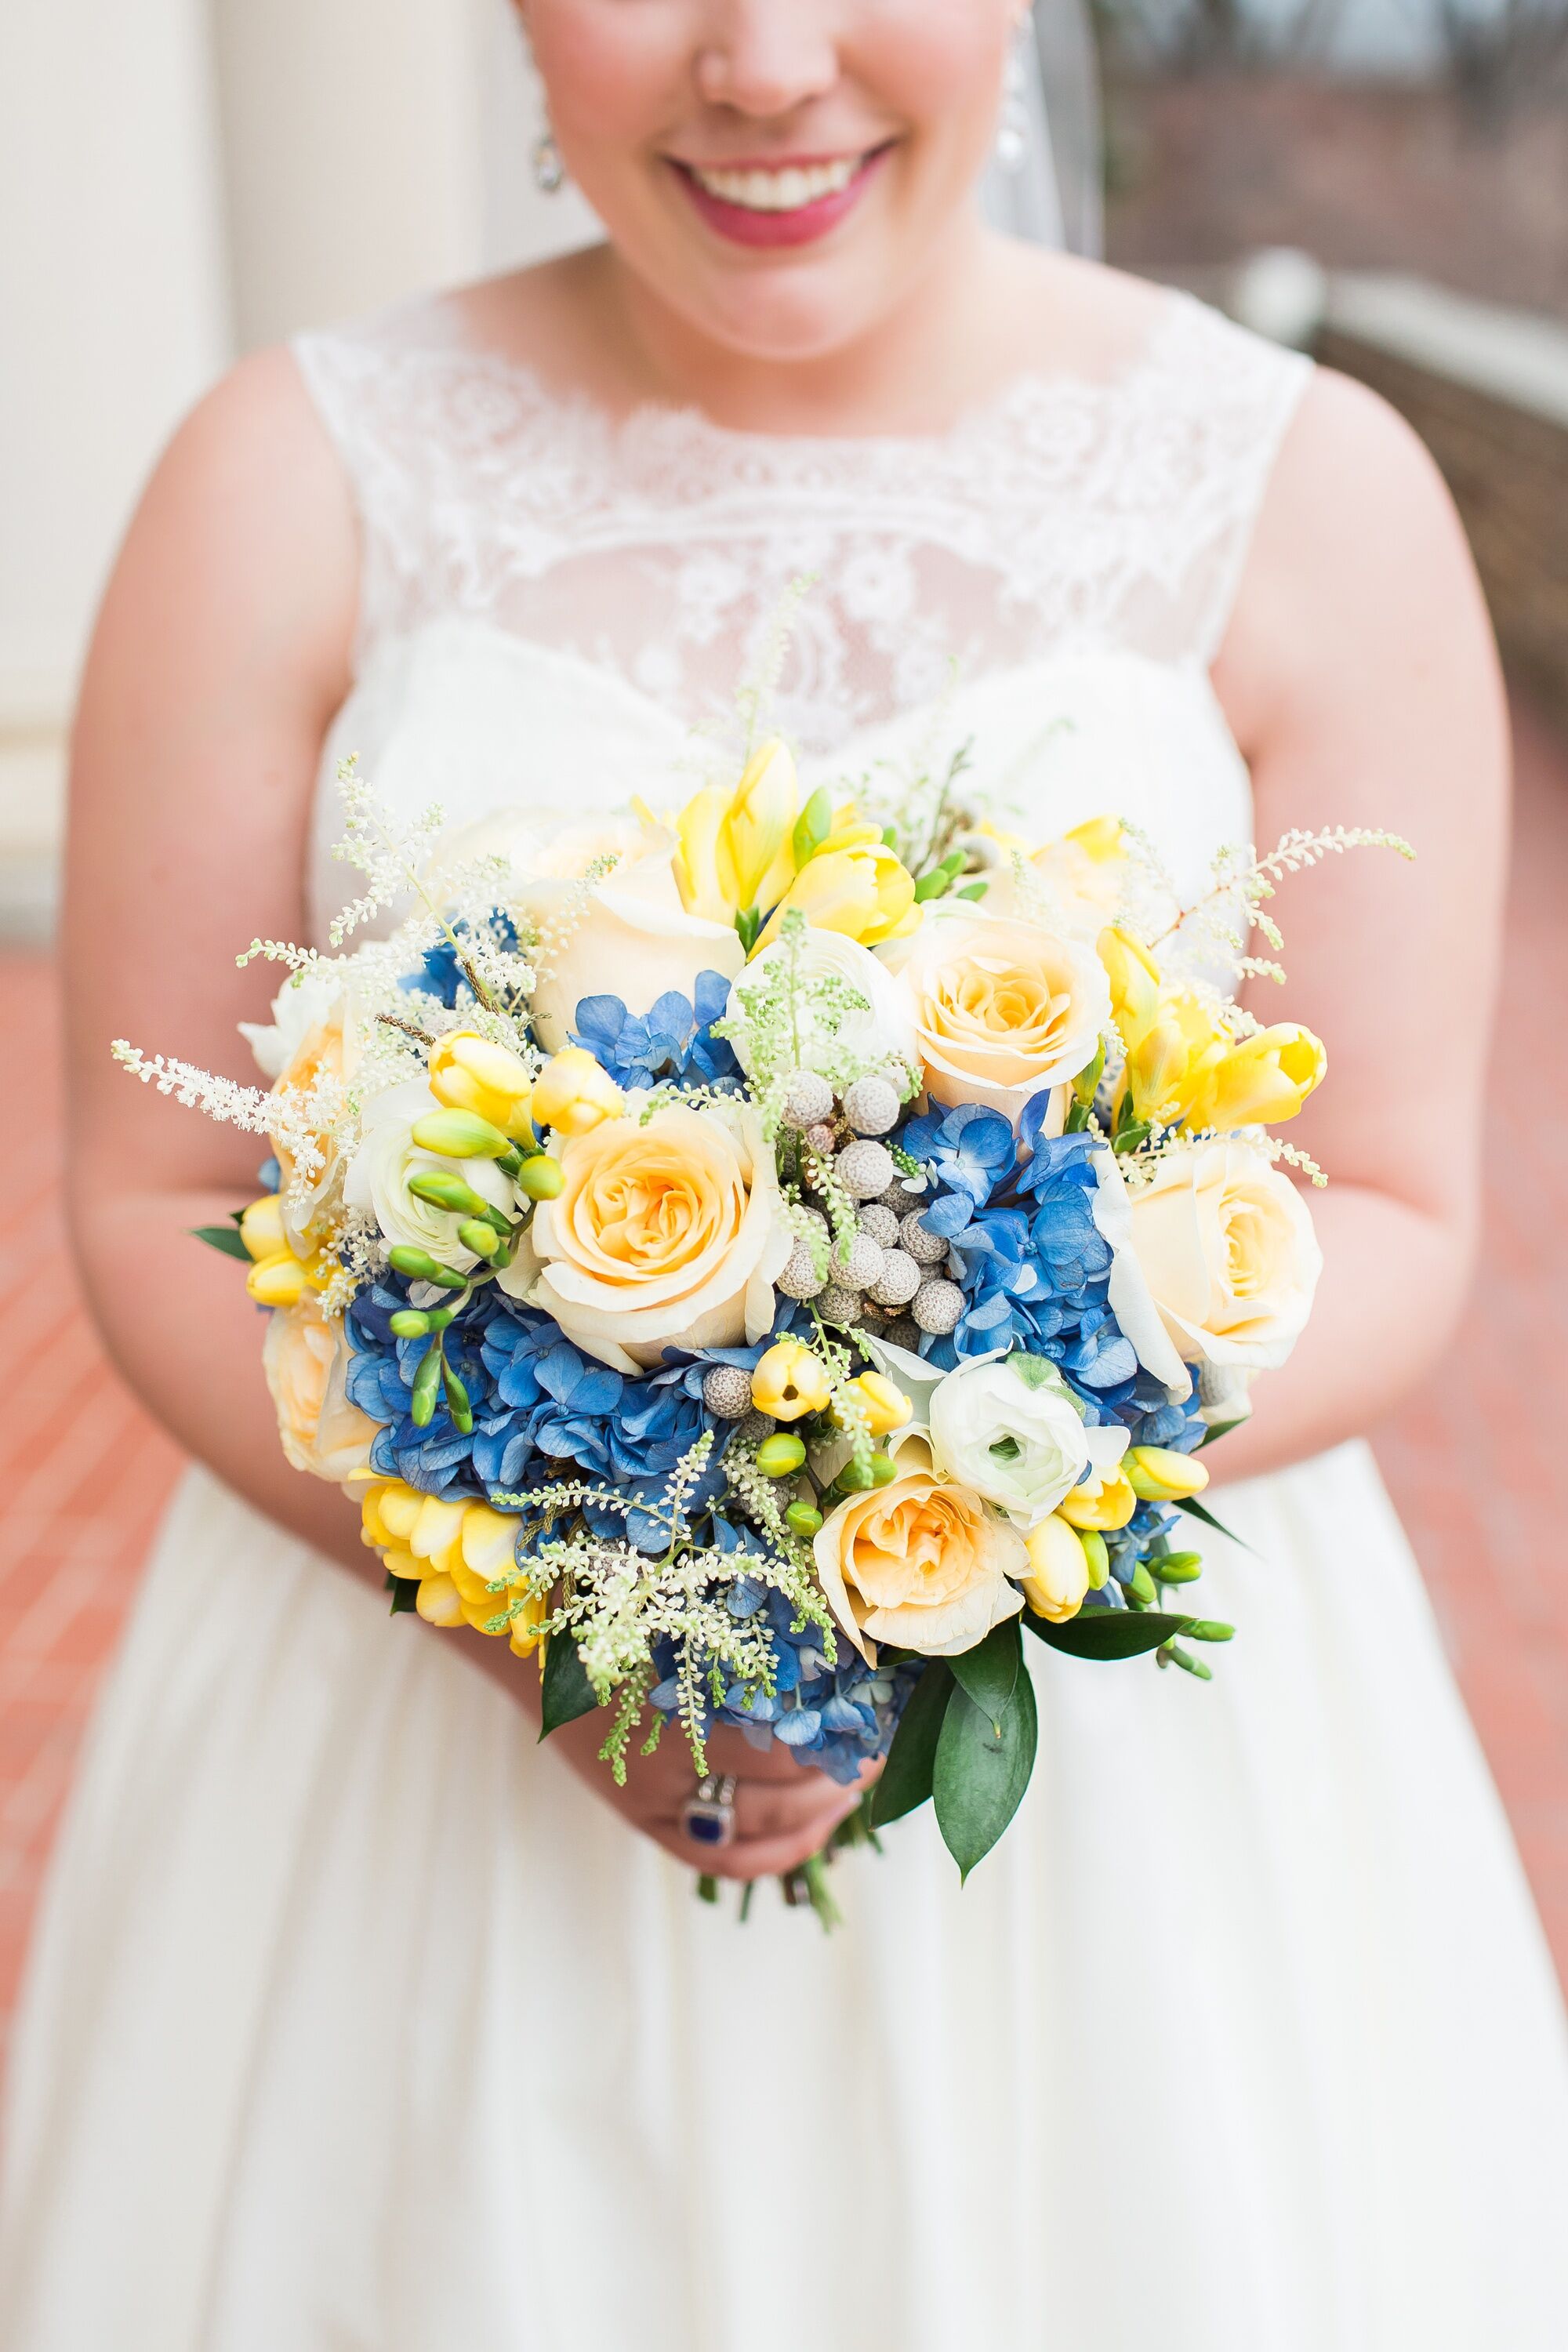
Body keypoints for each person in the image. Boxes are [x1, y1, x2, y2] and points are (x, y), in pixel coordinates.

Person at [4, 2, 1566, 2344]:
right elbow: (147, 1184)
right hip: (420, 1783)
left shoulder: (1303, 487)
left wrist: (970, 1507)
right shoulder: (286, 474)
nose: (761, 63)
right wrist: (542, 1602)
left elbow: (1400, 1210)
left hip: (1122, 1855)